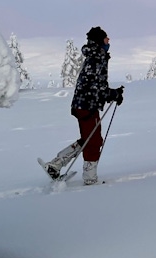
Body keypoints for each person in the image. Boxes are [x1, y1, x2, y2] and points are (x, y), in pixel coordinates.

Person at [42, 26, 124, 185]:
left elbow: (96, 86)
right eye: (106, 38)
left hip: (84, 104)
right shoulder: (96, 58)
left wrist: (112, 93)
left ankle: (55, 165)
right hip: (87, 106)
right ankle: (89, 178)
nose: (109, 40)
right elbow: (97, 87)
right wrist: (113, 94)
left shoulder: (96, 56)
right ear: (100, 41)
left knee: (90, 138)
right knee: (93, 141)